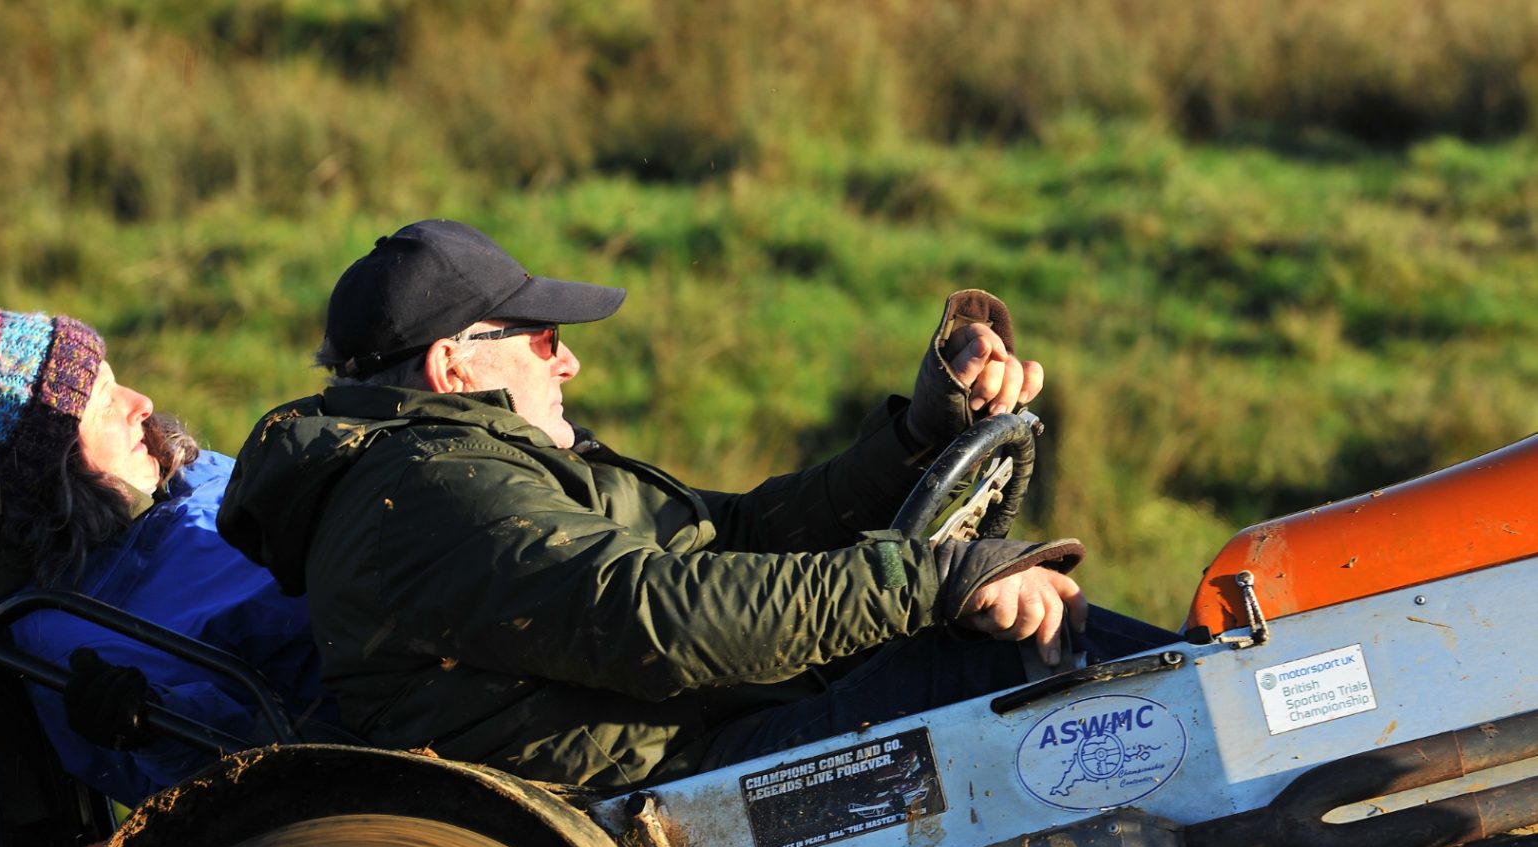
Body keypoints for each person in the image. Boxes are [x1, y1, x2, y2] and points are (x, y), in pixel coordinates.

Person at [218, 221, 1158, 790]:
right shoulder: (426, 493)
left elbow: (732, 540)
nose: (568, 360)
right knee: (990, 677)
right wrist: (934, 580)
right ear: (450, 361)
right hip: (659, 793)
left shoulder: (468, 464)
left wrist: (913, 440)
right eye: (543, 338)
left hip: (695, 742)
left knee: (1009, 656)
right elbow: (661, 617)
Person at [0, 308, 331, 805]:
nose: (141, 402)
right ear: (45, 475)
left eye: (114, 378)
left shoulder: (179, 476)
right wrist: (152, 721)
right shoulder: (76, 638)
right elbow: (241, 779)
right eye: (102, 402)